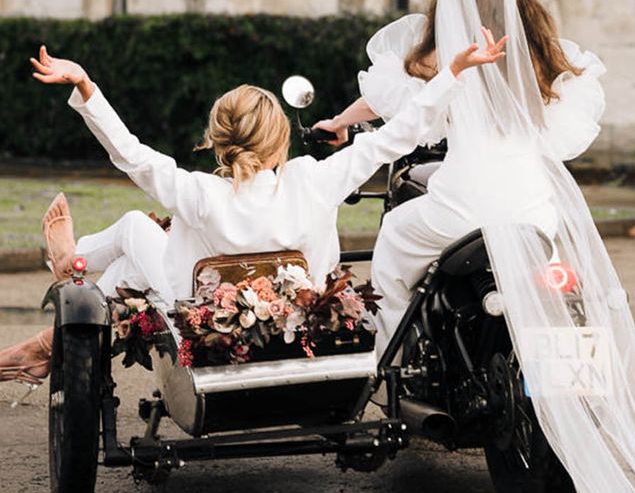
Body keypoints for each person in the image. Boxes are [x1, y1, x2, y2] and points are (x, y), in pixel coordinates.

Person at [316, 0, 635, 493]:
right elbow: (569, 117)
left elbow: (395, 103)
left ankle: (391, 366)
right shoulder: (540, 52)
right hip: (536, 210)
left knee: (395, 243)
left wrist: (336, 123)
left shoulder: (443, 52)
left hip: (465, 204)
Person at [0, 37, 506, 392]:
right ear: (280, 137)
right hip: (298, 320)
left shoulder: (199, 193)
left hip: (200, 320)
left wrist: (86, 85)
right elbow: (397, 135)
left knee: (135, 230)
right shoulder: (314, 179)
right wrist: (453, 73)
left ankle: (71, 272)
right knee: (133, 257)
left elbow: (129, 152)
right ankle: (61, 301)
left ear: (218, 140)